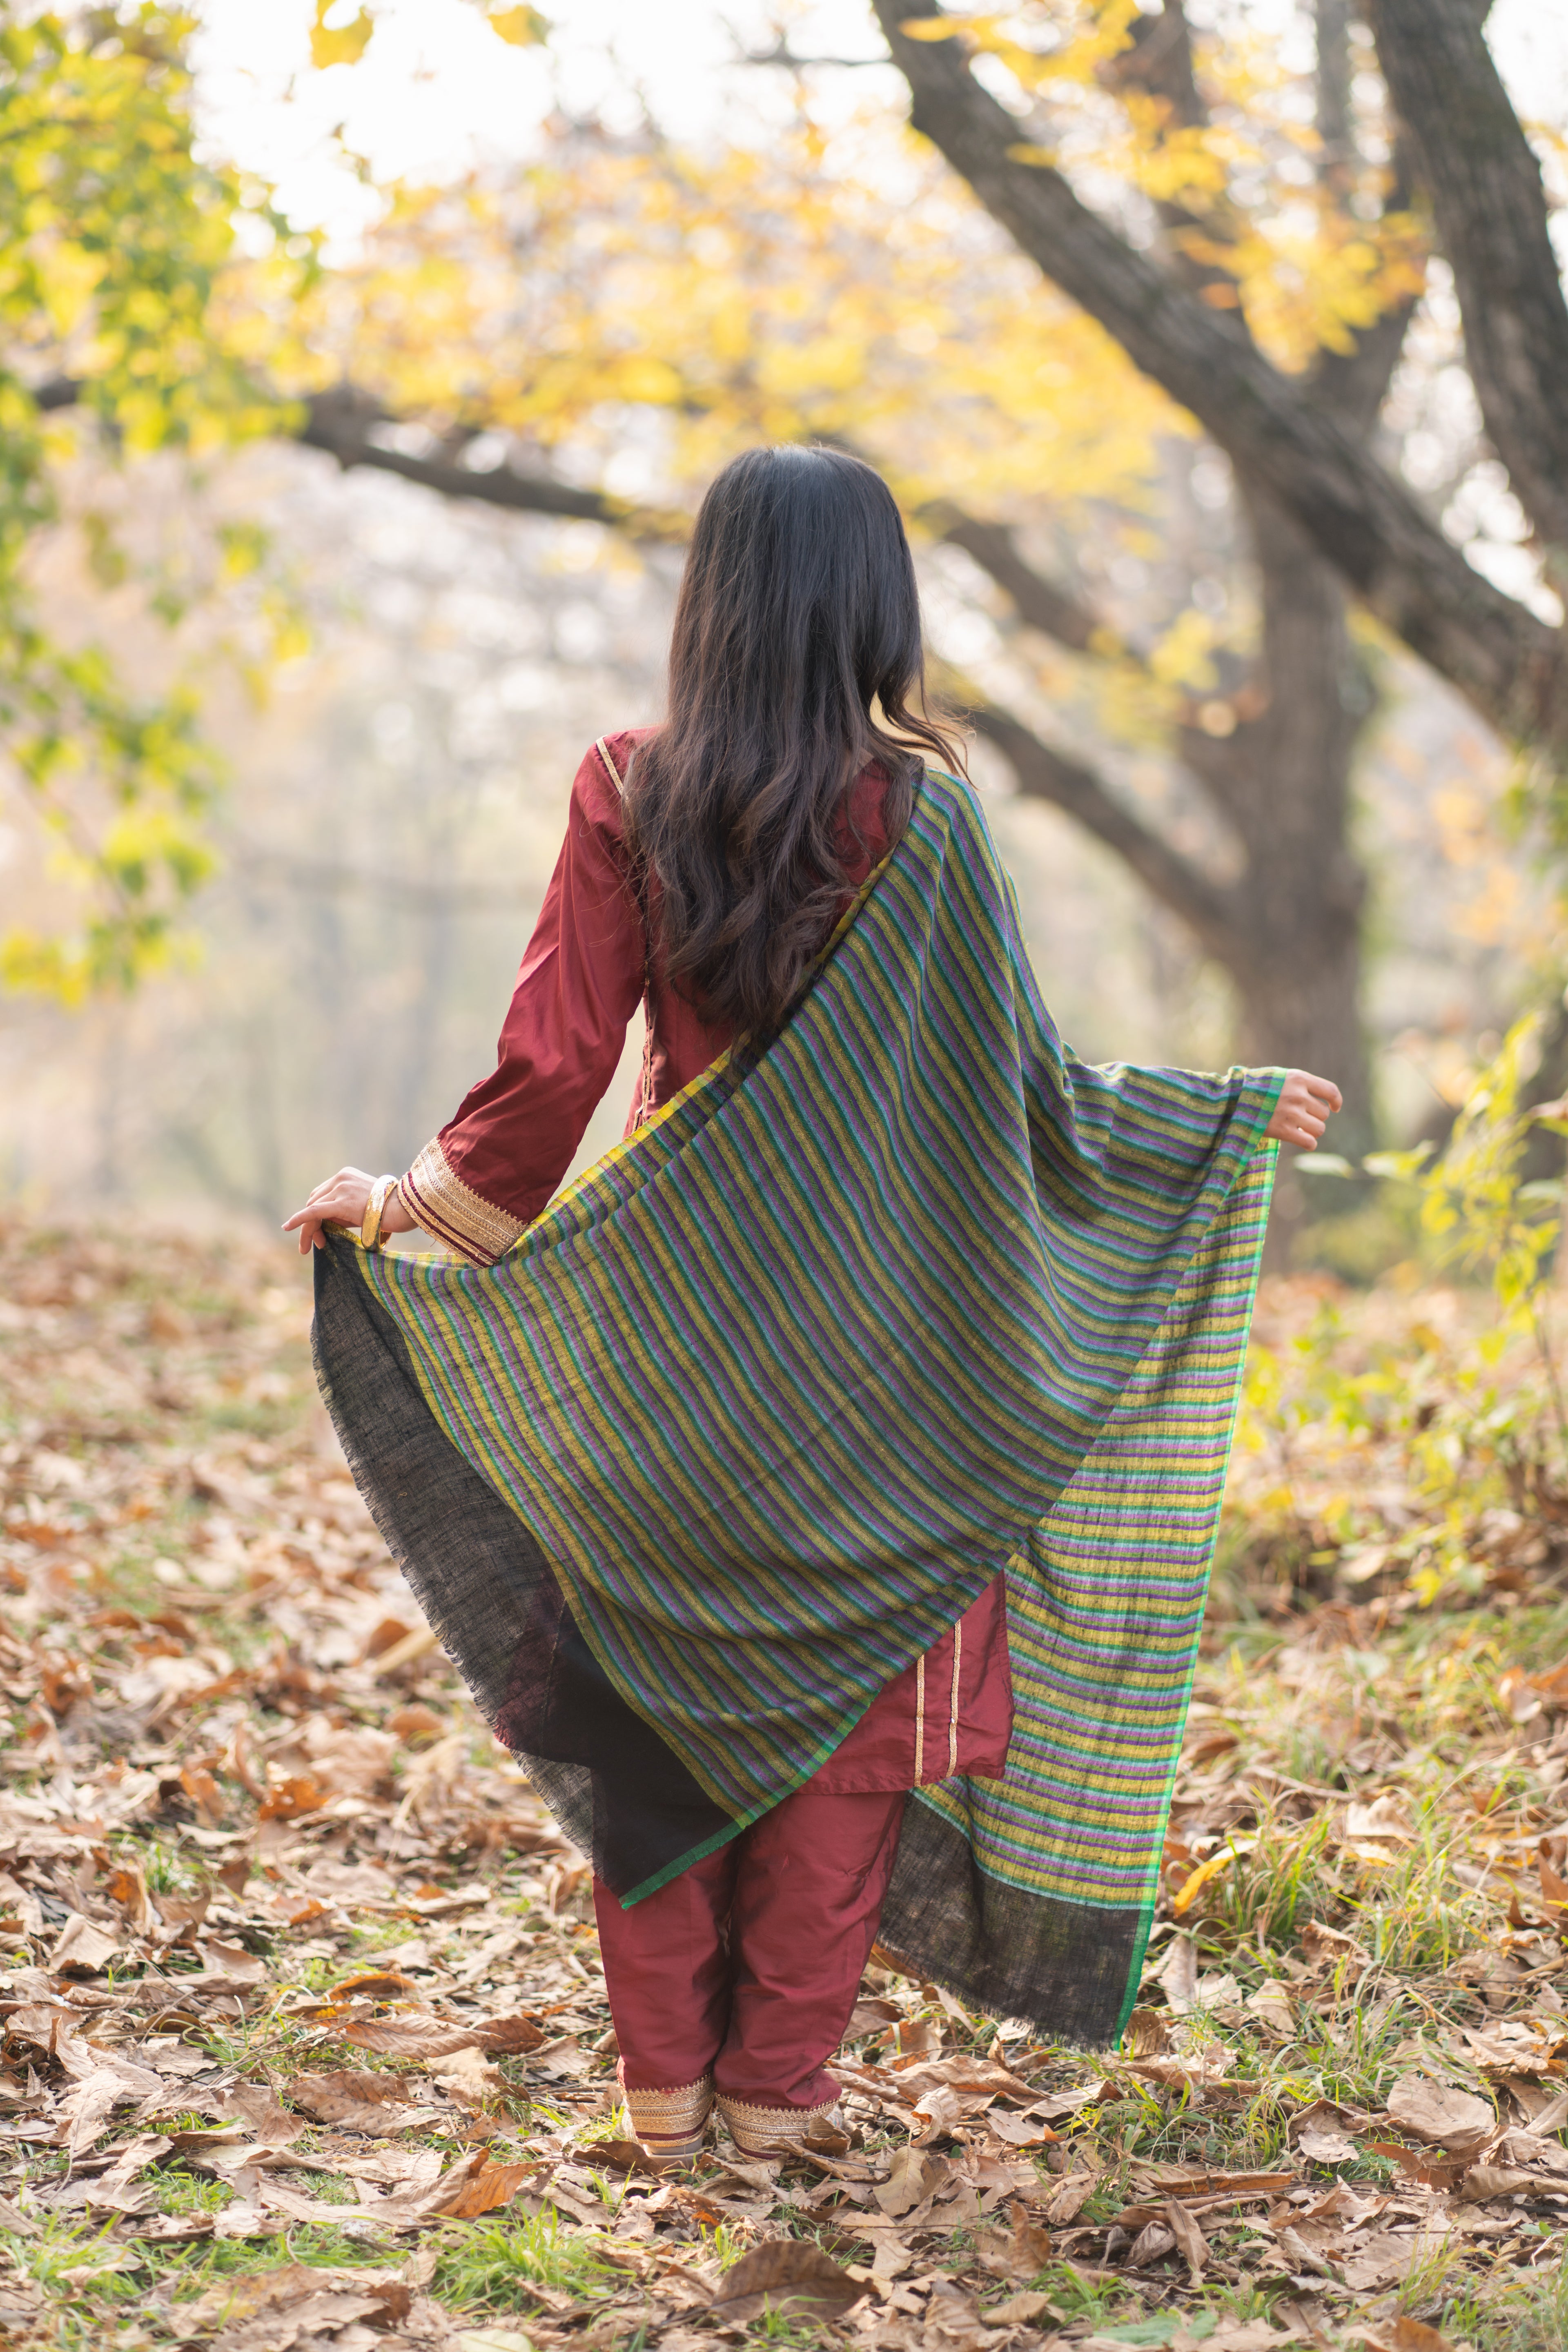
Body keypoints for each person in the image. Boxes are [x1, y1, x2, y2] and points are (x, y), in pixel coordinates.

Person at [287, 444, 1339, 2165]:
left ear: (711, 596)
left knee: (655, 1706)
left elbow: (548, 1081)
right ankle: (777, 2102)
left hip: (664, 1357)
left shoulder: (629, 786)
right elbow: (1029, 1096)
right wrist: (1208, 1118)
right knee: (852, 1743)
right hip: (882, 1381)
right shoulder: (926, 814)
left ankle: (660, 2097)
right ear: (875, 600)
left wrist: (402, 1209)